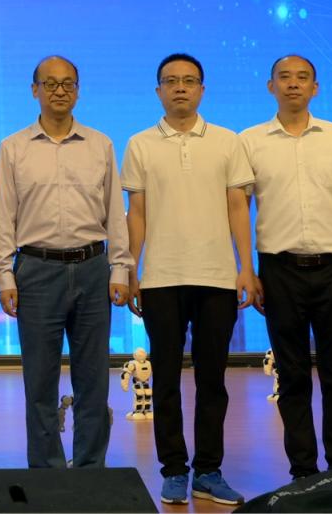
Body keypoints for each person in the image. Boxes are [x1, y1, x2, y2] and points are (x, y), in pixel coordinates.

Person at [122, 53, 255, 506]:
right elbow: (136, 213)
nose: (180, 87)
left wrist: (246, 266)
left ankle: (209, 471)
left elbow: (238, 207)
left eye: (189, 80)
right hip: (161, 278)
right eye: (171, 81)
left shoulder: (227, 141)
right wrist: (131, 269)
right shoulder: (140, 144)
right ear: (158, 90)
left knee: (212, 379)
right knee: (164, 379)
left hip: (216, 276)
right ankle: (174, 470)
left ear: (202, 89)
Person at [0, 55, 132, 470]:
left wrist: (120, 267)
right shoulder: (13, 148)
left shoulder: (100, 145)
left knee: (94, 380)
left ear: (78, 91)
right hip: (36, 270)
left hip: (92, 267)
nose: (59, 91)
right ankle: (46, 472)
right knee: (39, 381)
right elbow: (5, 215)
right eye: (50, 84)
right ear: (34, 90)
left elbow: (114, 212)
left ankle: (90, 470)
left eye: (68, 83)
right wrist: (4, 275)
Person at [240, 54, 332, 480]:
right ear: (271, 86)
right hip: (279, 272)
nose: (293, 84)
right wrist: (247, 270)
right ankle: (303, 472)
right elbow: (238, 208)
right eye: (285, 77)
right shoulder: (250, 141)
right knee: (291, 376)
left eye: (303, 78)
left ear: (315, 88)